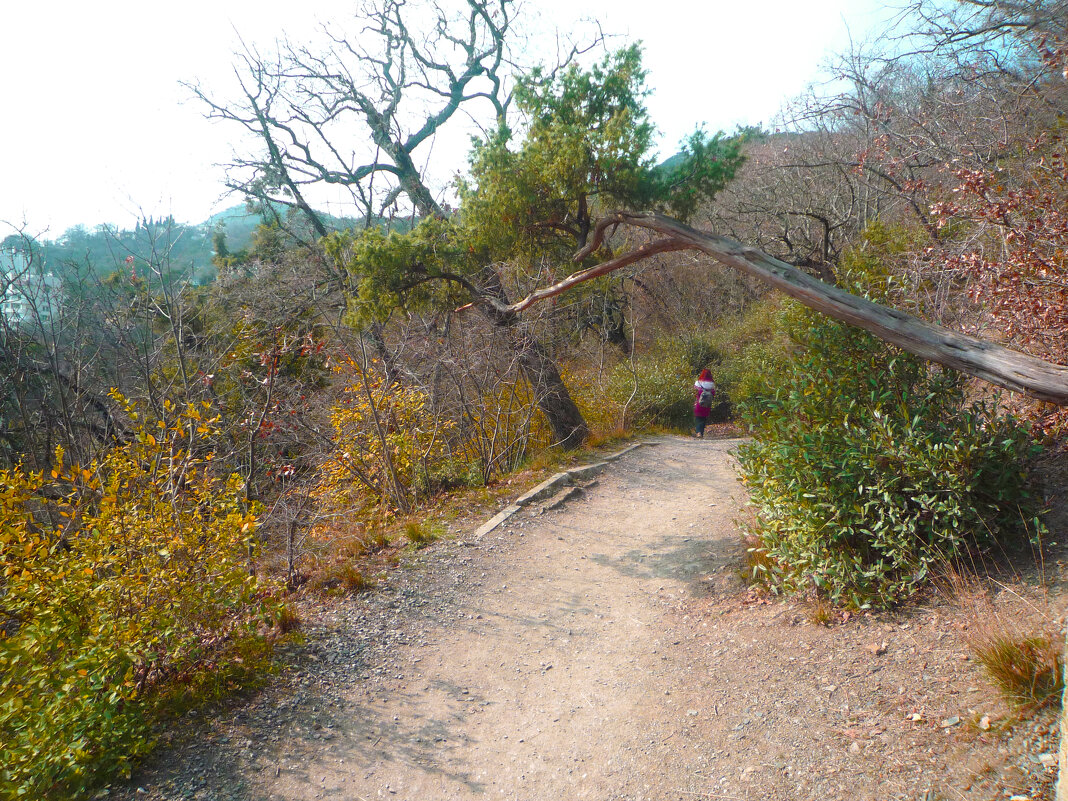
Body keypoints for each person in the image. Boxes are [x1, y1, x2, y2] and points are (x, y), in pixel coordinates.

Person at [693, 369, 716, 438]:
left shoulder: (698, 383)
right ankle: (701, 433)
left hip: (698, 403)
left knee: (697, 418)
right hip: (707, 404)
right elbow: (713, 394)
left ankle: (698, 432)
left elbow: (694, 393)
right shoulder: (712, 384)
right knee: (703, 418)